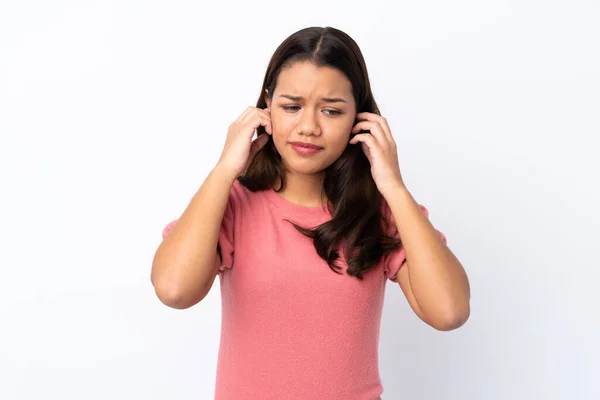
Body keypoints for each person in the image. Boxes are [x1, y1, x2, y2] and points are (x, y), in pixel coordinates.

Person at [151, 26, 471, 400]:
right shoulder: (232, 204)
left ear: (360, 118)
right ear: (266, 106)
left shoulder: (379, 210)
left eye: (332, 111)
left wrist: (394, 188)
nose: (308, 127)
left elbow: (449, 311)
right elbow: (174, 290)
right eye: (291, 106)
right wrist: (225, 169)